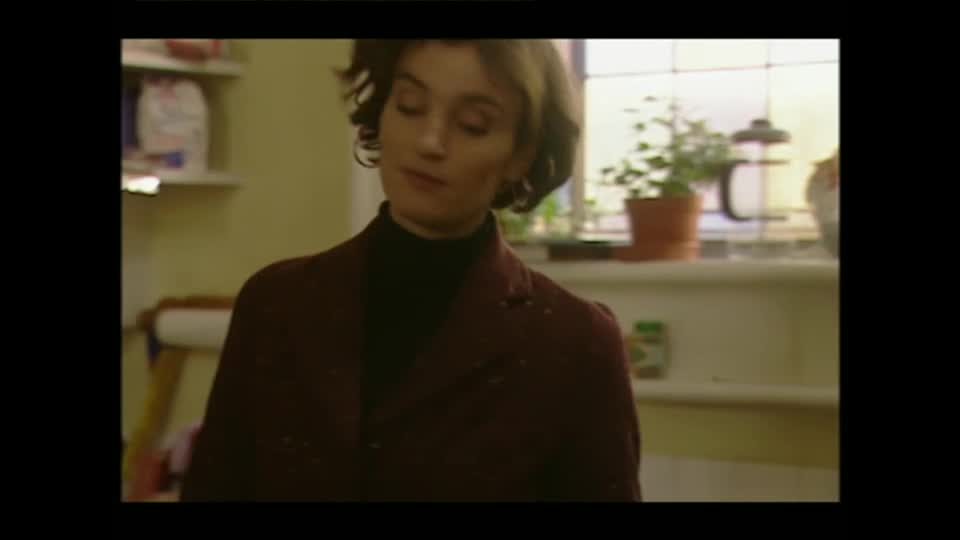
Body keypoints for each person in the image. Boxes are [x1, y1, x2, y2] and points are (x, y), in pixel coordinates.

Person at [181, 39, 641, 502]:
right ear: (382, 110)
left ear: (520, 155)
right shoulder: (275, 305)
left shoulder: (575, 343)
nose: (429, 142)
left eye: (473, 125)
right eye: (410, 106)